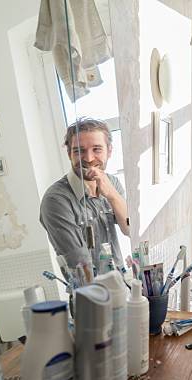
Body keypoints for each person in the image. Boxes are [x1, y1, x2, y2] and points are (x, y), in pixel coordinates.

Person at [40, 118, 130, 278]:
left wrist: (112, 194)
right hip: (90, 294)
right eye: (79, 151)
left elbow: (129, 229)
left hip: (120, 284)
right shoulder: (55, 200)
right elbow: (79, 262)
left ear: (109, 151)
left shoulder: (113, 182)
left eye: (97, 149)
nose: (88, 158)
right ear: (69, 154)